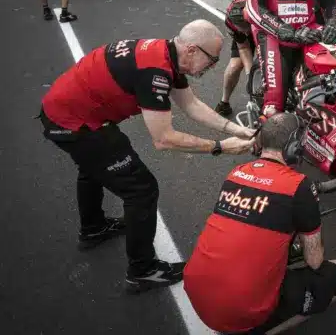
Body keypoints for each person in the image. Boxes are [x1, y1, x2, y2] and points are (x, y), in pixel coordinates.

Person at [39, 20, 257, 294]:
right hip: (73, 122)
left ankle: (93, 228)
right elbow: (164, 138)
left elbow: (191, 104)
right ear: (192, 50)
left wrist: (235, 128)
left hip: (69, 112)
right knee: (141, 189)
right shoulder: (154, 72)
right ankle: (143, 270)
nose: (212, 66)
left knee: (93, 166)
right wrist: (221, 147)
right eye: (212, 60)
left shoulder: (167, 53)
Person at [184, 113, 336, 334]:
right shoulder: (300, 187)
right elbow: (314, 260)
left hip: (196, 290)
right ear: (294, 149)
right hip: (238, 311)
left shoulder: (236, 174)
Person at [215, 0, 256, 116]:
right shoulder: (230, 21)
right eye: (241, 29)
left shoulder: (258, 15)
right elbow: (243, 48)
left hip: (264, 27)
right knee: (235, 66)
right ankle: (224, 103)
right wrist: (250, 75)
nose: (245, 32)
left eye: (246, 28)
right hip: (250, 28)